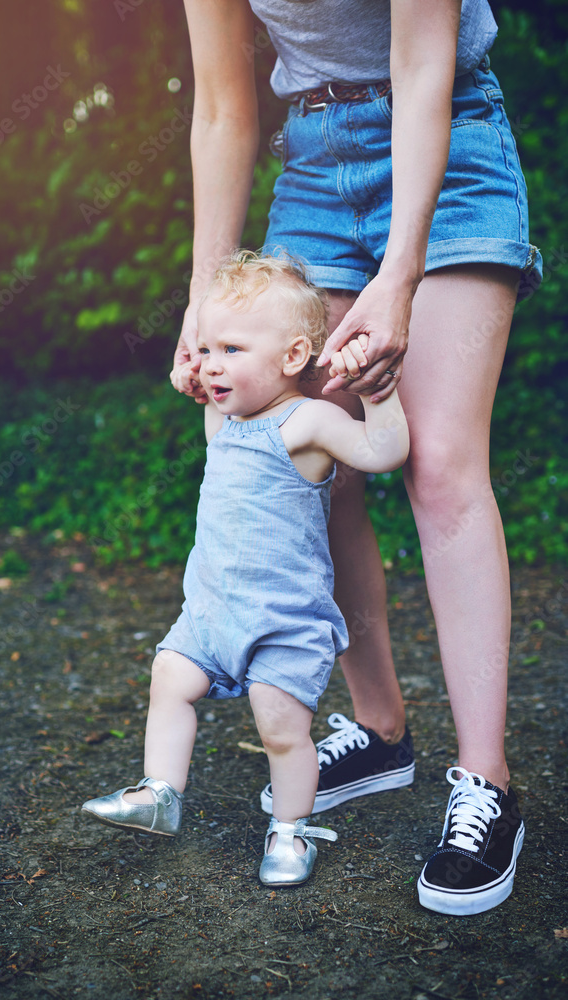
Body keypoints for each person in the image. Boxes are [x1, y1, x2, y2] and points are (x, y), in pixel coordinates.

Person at [170, 1, 539, 914]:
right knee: (307, 465)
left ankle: (486, 783)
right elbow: (220, 103)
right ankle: (379, 729)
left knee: (440, 462)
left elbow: (424, 65)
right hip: (313, 157)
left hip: (445, 138)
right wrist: (207, 305)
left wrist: (400, 273)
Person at [82, 252, 409, 886]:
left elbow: (384, 452)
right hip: (210, 611)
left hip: (283, 620)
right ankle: (160, 793)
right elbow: (205, 387)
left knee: (280, 725)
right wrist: (197, 375)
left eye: (231, 347)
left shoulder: (307, 422)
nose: (211, 363)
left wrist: (377, 395)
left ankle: (291, 831)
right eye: (206, 348)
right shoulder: (224, 417)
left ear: (291, 358)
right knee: (169, 677)